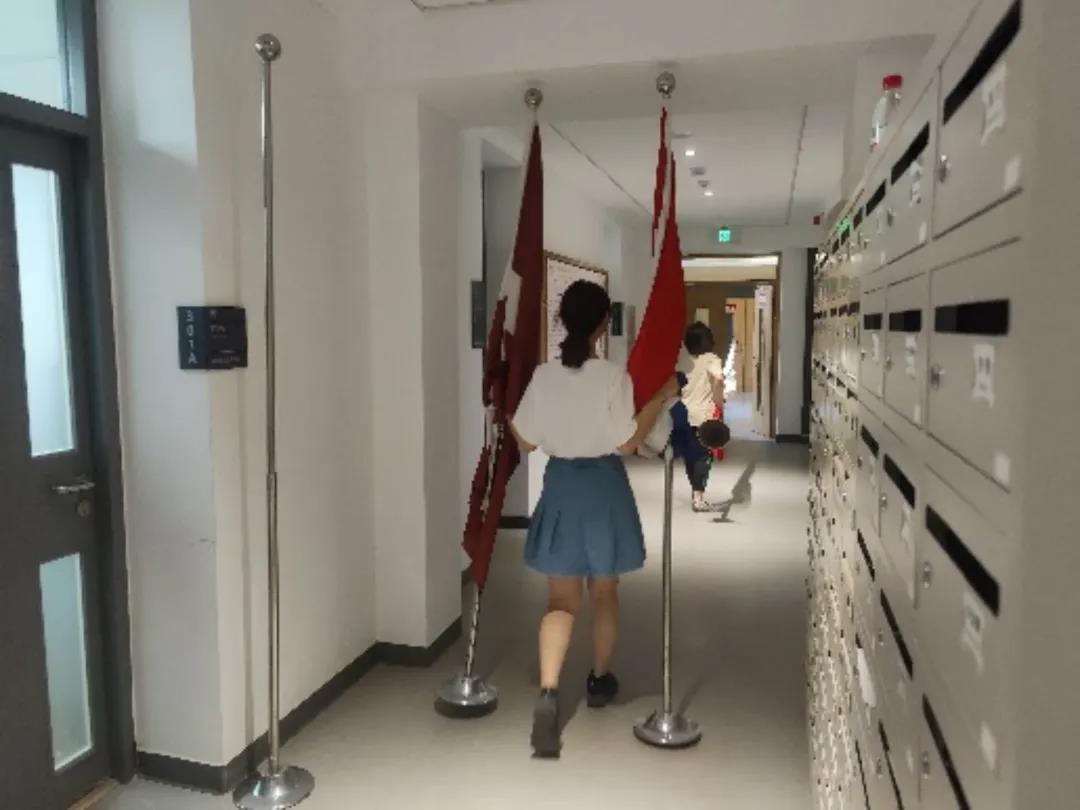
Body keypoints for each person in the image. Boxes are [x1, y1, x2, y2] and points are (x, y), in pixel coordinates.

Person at [510, 280, 678, 758]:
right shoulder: (612, 376)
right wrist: (659, 398)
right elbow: (627, 442)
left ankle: (548, 693)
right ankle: (599, 680)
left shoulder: (544, 376)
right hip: (604, 487)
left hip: (562, 485)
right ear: (604, 324)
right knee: (604, 592)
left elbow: (524, 441)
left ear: (562, 319)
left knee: (560, 601)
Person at [681, 321, 726, 512]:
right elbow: (719, 379)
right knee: (703, 456)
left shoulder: (683, 360)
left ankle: (695, 491)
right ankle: (698, 495)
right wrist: (718, 400)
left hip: (684, 415)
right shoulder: (711, 359)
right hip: (704, 416)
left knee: (690, 455)